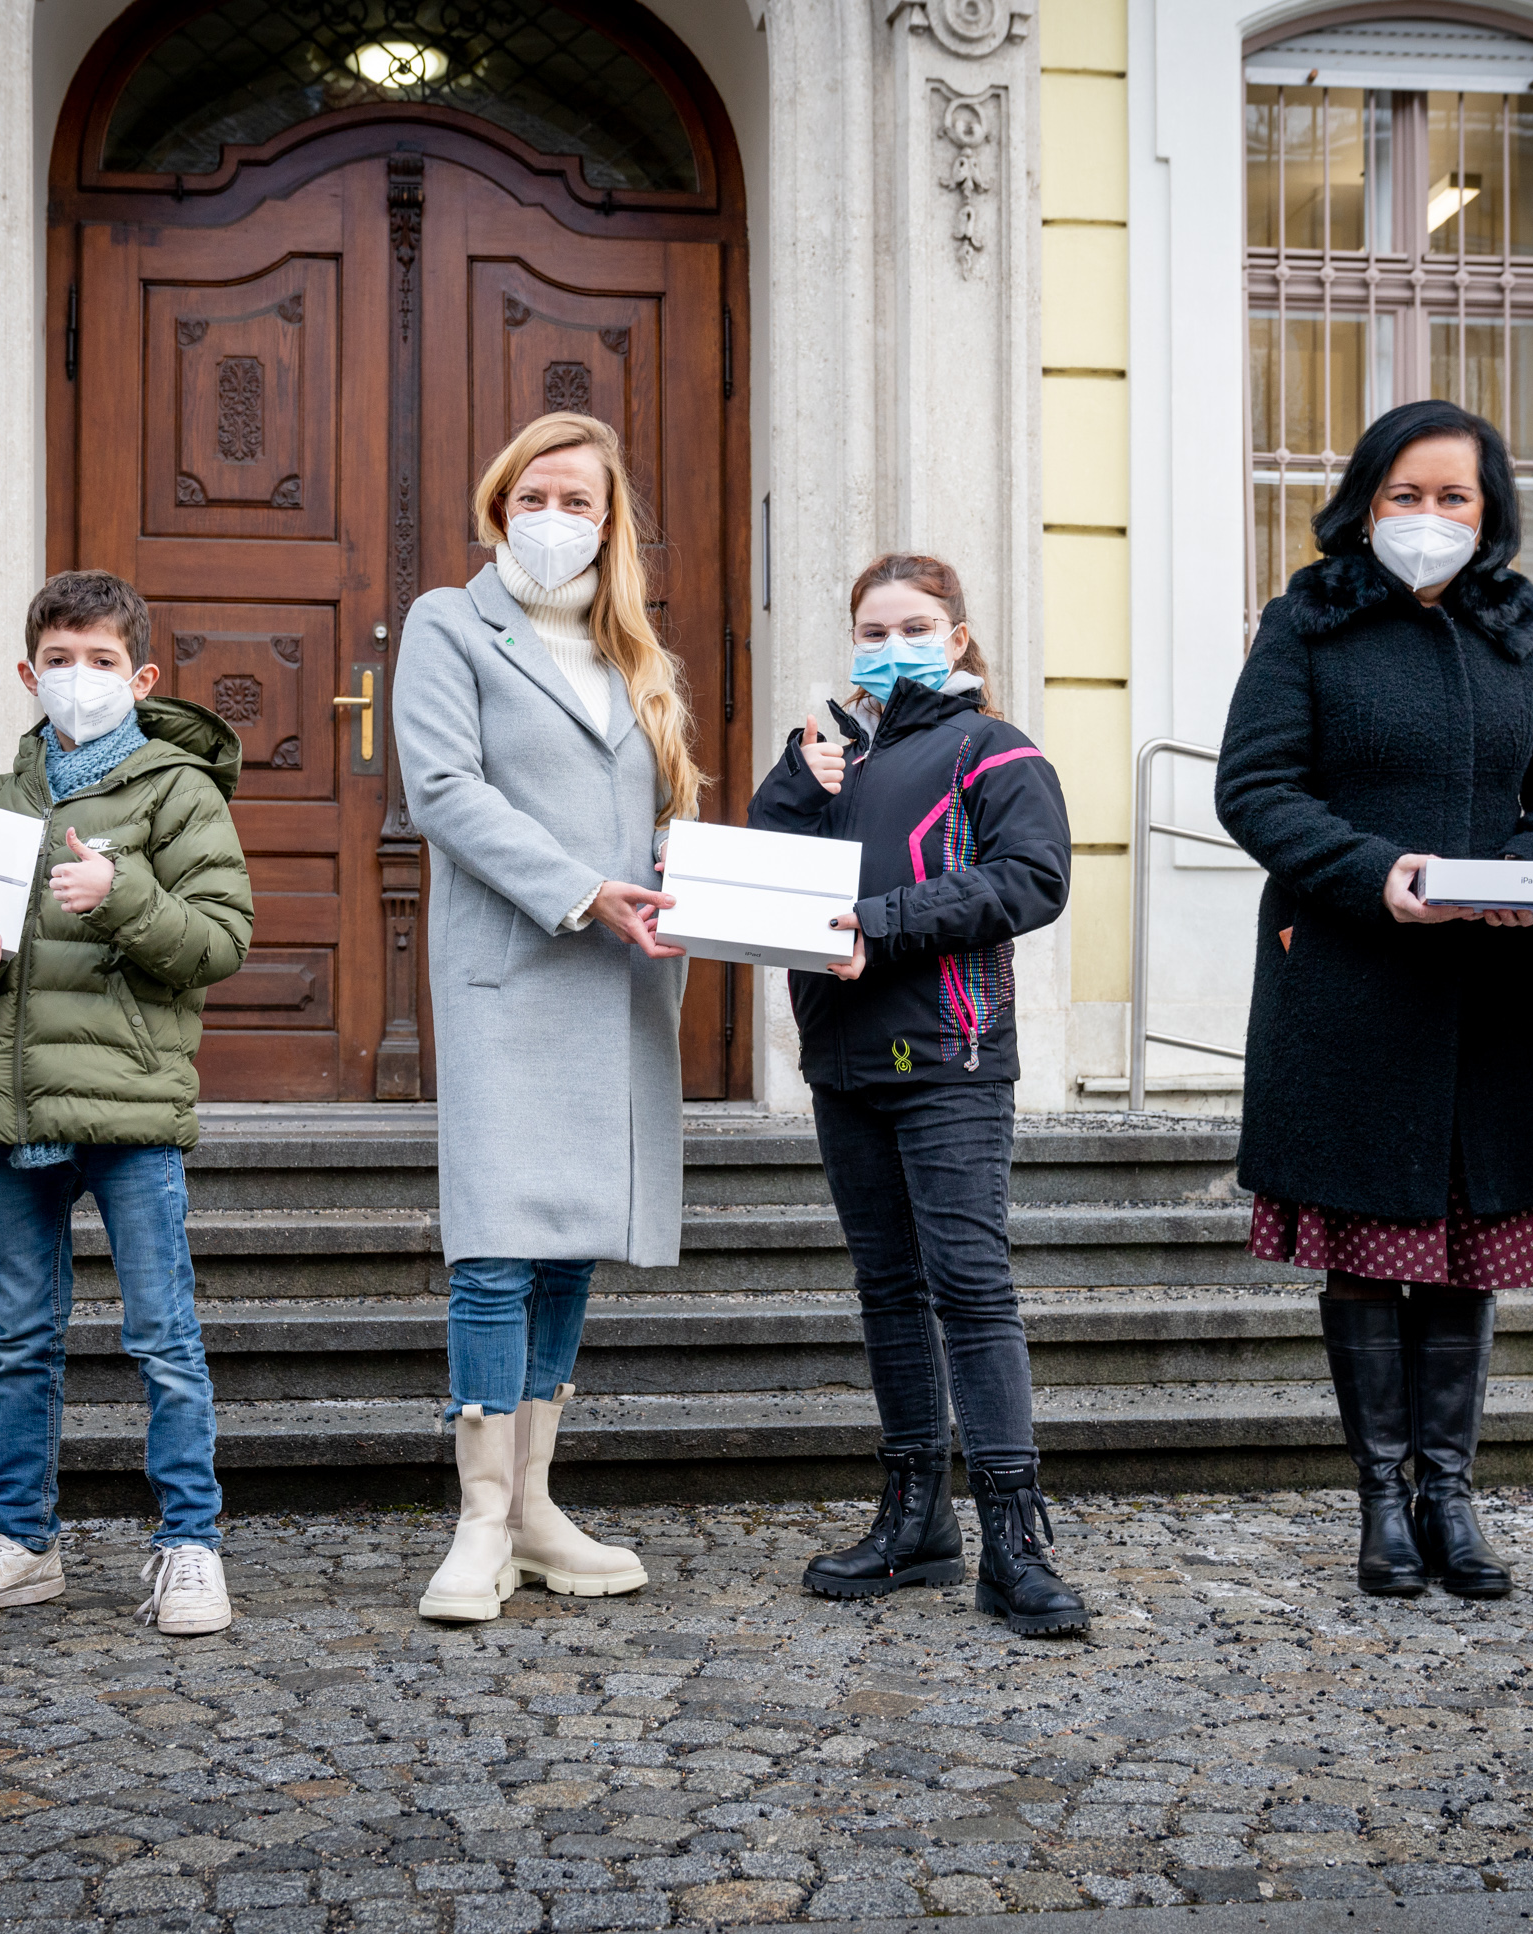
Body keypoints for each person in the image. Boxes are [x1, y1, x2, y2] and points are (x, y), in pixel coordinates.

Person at [1216, 398, 1533, 1602]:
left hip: (1487, 985)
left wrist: (1527, 872)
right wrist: (1373, 873)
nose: (1428, 516)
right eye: (1405, 493)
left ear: (1488, 513)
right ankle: (1380, 1496)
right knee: (1368, 1243)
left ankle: (1449, 1488)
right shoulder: (1308, 618)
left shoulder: (1525, 624)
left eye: (1454, 497)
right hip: (1345, 976)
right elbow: (1255, 787)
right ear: (1364, 501)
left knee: (1460, 1246)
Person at [0, 570, 254, 1637]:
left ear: (139, 676)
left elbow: (221, 940)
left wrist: (123, 896)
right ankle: (21, 1543)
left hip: (131, 1112)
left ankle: (189, 1543)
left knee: (163, 1335)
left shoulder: (176, 792)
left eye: (101, 662)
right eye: (60, 660)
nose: (79, 679)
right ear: (28, 672)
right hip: (16, 1111)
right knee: (22, 1337)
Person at [392, 411, 695, 1623]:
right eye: (536, 495)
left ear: (609, 521)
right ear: (497, 503)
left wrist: (700, 867)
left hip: (614, 978)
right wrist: (580, 888)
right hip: (514, 964)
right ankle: (476, 1517)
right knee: (494, 1243)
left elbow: (659, 813)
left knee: (570, 1238)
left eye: (580, 500)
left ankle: (533, 1504)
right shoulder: (445, 622)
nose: (556, 518)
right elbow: (442, 789)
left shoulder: (634, 651)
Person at [752, 553, 1087, 1637]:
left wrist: (883, 924)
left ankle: (1013, 1540)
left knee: (969, 1288)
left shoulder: (994, 747)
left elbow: (1030, 878)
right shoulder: (826, 752)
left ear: (954, 636)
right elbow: (759, 877)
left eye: (912, 625)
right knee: (885, 1288)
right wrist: (800, 787)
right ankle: (913, 1522)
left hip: (948, 1053)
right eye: (869, 626)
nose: (888, 643)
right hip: (841, 1059)